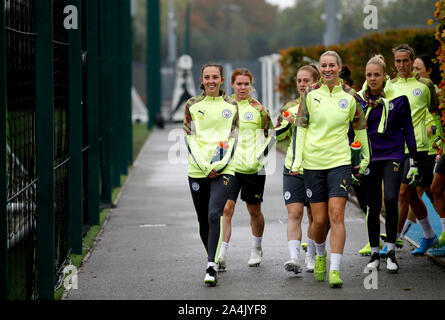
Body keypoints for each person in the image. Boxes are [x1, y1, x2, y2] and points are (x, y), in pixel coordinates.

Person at [291, 51, 370, 288]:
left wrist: (366, 157)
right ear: (320, 68)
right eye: (323, 65)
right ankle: (321, 255)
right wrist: (297, 160)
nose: (327, 69)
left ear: (339, 67)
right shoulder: (310, 94)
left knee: (336, 215)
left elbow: (360, 128)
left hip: (340, 162)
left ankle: (335, 269)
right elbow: (301, 129)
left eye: (331, 65)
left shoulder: (351, 96)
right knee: (319, 220)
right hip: (314, 164)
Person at [357, 55, 417, 273]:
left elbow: (408, 129)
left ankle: (391, 251)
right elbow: (352, 131)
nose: (373, 79)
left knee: (391, 198)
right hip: (370, 157)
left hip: (393, 154)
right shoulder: (359, 100)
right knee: (372, 206)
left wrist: (414, 159)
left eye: (376, 75)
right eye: (369, 75)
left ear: (384, 76)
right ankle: (374, 252)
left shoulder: (399, 99)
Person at [183, 62, 239, 286]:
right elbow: (189, 139)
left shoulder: (232, 104)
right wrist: (206, 166)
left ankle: (210, 265)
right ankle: (214, 256)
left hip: (225, 169)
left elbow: (234, 139)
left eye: (215, 77)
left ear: (222, 80)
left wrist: (221, 164)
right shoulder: (192, 105)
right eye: (207, 77)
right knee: (202, 219)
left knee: (215, 213)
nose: (211, 81)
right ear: (202, 80)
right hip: (198, 169)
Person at [218, 68, 273, 270]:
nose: (242, 87)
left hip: (254, 169)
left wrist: (261, 156)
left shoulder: (260, 110)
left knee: (254, 211)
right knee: (226, 209)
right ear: (232, 85)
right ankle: (221, 254)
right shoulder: (225, 106)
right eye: (239, 84)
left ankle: (256, 249)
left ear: (251, 85)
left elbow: (272, 136)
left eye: (246, 84)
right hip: (230, 168)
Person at [391, 44, 440, 256]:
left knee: (410, 192)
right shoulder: (388, 86)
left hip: (419, 149)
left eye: (405, 61)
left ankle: (392, 241)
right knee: (410, 195)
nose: (402, 65)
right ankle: (429, 236)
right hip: (395, 149)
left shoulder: (426, 85)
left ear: (412, 62)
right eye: (398, 61)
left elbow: (435, 113)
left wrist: (435, 137)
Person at [275, 64, 320, 273]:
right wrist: (284, 125)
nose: (302, 85)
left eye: (306, 81)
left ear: (316, 82)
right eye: (299, 81)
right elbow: (277, 136)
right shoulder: (289, 107)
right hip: (292, 167)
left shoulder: (321, 105)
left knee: (314, 216)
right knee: (294, 213)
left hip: (315, 167)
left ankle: (312, 255)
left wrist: (302, 123)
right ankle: (294, 258)